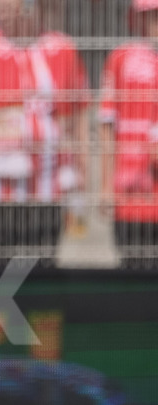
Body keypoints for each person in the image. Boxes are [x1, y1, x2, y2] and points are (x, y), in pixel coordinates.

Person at [0, 0, 89, 267]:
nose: (5, 8)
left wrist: (80, 171)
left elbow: (76, 114)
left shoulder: (61, 48)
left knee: (44, 265)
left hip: (48, 184)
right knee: (0, 266)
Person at [99, 0, 158, 268]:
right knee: (132, 271)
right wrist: (104, 186)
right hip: (130, 190)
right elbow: (106, 124)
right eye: (150, 16)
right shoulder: (120, 58)